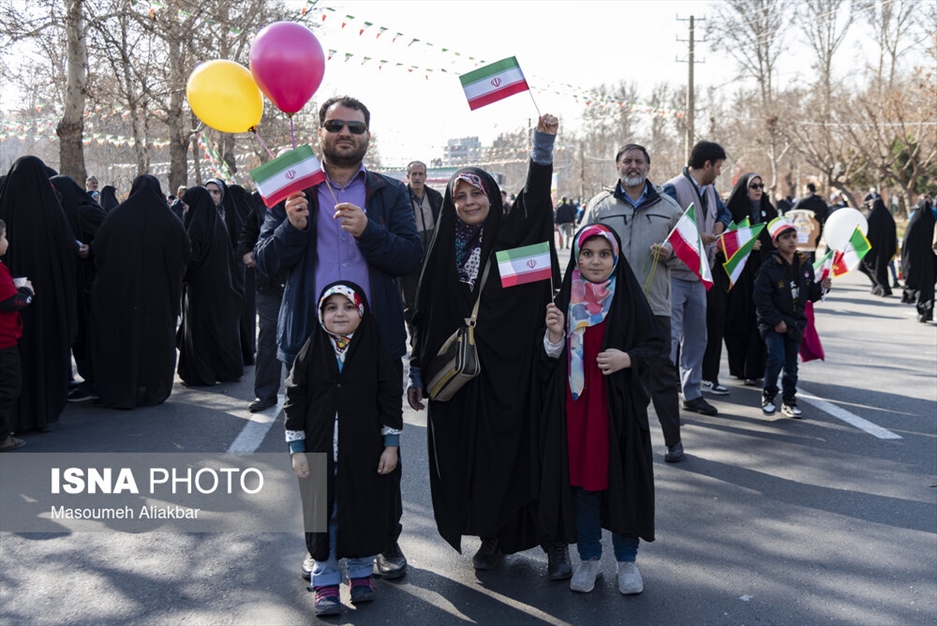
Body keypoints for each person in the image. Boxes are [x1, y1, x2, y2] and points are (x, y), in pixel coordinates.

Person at [254, 95, 422, 581]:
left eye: (355, 126)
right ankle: (319, 546)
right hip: (311, 343)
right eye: (335, 125)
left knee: (380, 451)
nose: (345, 133)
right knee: (311, 452)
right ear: (320, 132)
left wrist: (370, 232)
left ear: (368, 135)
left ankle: (384, 539)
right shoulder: (294, 192)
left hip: (376, 345)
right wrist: (292, 226)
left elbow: (410, 257)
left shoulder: (389, 194)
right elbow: (264, 263)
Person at [407, 114, 571, 579]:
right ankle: (489, 536)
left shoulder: (510, 237)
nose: (468, 201)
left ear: (492, 196)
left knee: (517, 453)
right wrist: (417, 371)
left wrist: (542, 145)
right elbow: (424, 312)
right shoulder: (442, 249)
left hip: (508, 371)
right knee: (467, 458)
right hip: (457, 377)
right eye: (459, 195)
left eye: (476, 193)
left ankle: (538, 538)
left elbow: (537, 201)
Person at [539, 223, 662, 595]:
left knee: (623, 482)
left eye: (604, 254)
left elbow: (655, 345)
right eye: (588, 254)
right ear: (576, 258)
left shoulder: (627, 296)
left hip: (616, 411)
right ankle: (589, 558)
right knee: (583, 488)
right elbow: (547, 360)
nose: (596, 261)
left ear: (616, 258)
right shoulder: (564, 299)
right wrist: (555, 336)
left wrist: (628, 358)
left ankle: (627, 561)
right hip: (576, 412)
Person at [285, 282, 402, 616]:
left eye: (348, 307)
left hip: (364, 454)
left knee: (362, 511)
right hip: (321, 453)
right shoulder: (311, 351)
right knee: (325, 517)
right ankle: (325, 583)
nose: (340, 313)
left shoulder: (373, 349)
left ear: (361, 312)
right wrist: (297, 448)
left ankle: (362, 575)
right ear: (321, 313)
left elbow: (389, 396)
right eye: (331, 307)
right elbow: (295, 398)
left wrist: (390, 445)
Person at [582, 143, 686, 463]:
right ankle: (620, 441)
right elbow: (581, 253)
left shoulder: (670, 208)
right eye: (627, 161)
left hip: (655, 305)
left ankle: (673, 441)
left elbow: (690, 258)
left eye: (639, 161)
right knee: (615, 376)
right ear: (618, 167)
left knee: (663, 376)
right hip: (610, 306)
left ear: (648, 168)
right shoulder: (600, 207)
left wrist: (672, 256)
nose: (633, 166)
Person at [90, 175, 190, 409]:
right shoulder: (169, 221)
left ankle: (121, 389)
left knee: (123, 339)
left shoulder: (116, 217)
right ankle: (152, 389)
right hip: (158, 298)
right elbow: (183, 256)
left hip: (120, 296)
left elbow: (100, 251)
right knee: (153, 343)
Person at [0, 156, 78, 432]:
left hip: (9, 297)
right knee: (46, 348)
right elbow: (70, 249)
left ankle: (13, 419)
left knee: (13, 359)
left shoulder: (4, 204)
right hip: (47, 298)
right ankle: (44, 412)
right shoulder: (51, 210)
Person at [662, 141, 731, 417]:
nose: (719, 172)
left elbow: (725, 212)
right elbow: (663, 224)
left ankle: (692, 394)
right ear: (707, 165)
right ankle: (665, 395)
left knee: (697, 339)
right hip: (675, 275)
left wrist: (720, 224)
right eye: (718, 167)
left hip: (700, 276)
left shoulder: (711, 190)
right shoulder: (672, 188)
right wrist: (693, 236)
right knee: (670, 339)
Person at [754, 218, 831, 418]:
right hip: (773, 323)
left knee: (791, 365)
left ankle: (789, 400)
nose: (792, 241)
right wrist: (776, 321)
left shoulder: (805, 264)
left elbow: (810, 295)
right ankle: (769, 395)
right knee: (776, 357)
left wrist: (822, 287)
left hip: (795, 323)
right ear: (776, 242)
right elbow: (761, 298)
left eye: (794, 236)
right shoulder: (768, 268)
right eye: (786, 237)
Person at [177, 186, 244, 386]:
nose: (186, 209)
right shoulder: (216, 222)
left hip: (200, 287)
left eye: (187, 205)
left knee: (200, 331)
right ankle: (227, 369)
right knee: (219, 328)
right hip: (221, 284)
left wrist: (182, 274)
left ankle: (201, 373)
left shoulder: (197, 224)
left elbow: (192, 257)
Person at [51, 175, 107, 403]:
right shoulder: (67, 211)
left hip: (91, 281)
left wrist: (90, 249)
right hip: (78, 280)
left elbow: (109, 237)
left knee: (89, 332)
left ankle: (95, 380)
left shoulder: (86, 211)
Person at [724, 173, 777, 386]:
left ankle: (755, 369)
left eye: (760, 185)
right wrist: (744, 244)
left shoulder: (769, 211)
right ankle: (739, 367)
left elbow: (778, 237)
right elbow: (723, 241)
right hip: (738, 279)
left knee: (760, 321)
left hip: (763, 275)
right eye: (753, 186)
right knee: (738, 321)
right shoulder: (732, 212)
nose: (758, 189)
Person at [237, 190, 287, 413]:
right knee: (268, 335)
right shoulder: (263, 196)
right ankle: (265, 394)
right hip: (267, 281)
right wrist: (246, 252)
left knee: (305, 340)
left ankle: (305, 394)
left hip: (301, 280)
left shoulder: (314, 193)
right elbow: (249, 229)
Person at [0, 219, 34, 450]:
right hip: (4, 341)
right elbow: (12, 303)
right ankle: (3, 437)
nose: (6, 242)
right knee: (9, 387)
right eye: (3, 236)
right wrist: (26, 291)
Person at [400, 160, 442, 335]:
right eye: (413, 174)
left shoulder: (435, 197)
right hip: (409, 258)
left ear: (426, 176)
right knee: (410, 303)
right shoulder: (400, 197)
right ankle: (415, 339)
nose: (417, 178)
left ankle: (431, 338)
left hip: (432, 256)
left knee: (434, 300)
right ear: (408, 176)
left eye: (420, 174)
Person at [901, 195, 937, 323]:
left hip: (916, 261)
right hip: (930, 262)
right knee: (928, 288)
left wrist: (905, 260)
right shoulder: (933, 222)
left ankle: (922, 312)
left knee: (919, 287)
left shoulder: (914, 223)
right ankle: (928, 311)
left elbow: (906, 243)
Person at [858, 198, 898, 297]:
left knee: (868, 266)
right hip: (885, 249)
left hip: (871, 249)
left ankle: (883, 287)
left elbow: (863, 230)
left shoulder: (870, 216)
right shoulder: (888, 217)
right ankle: (877, 285)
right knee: (875, 268)